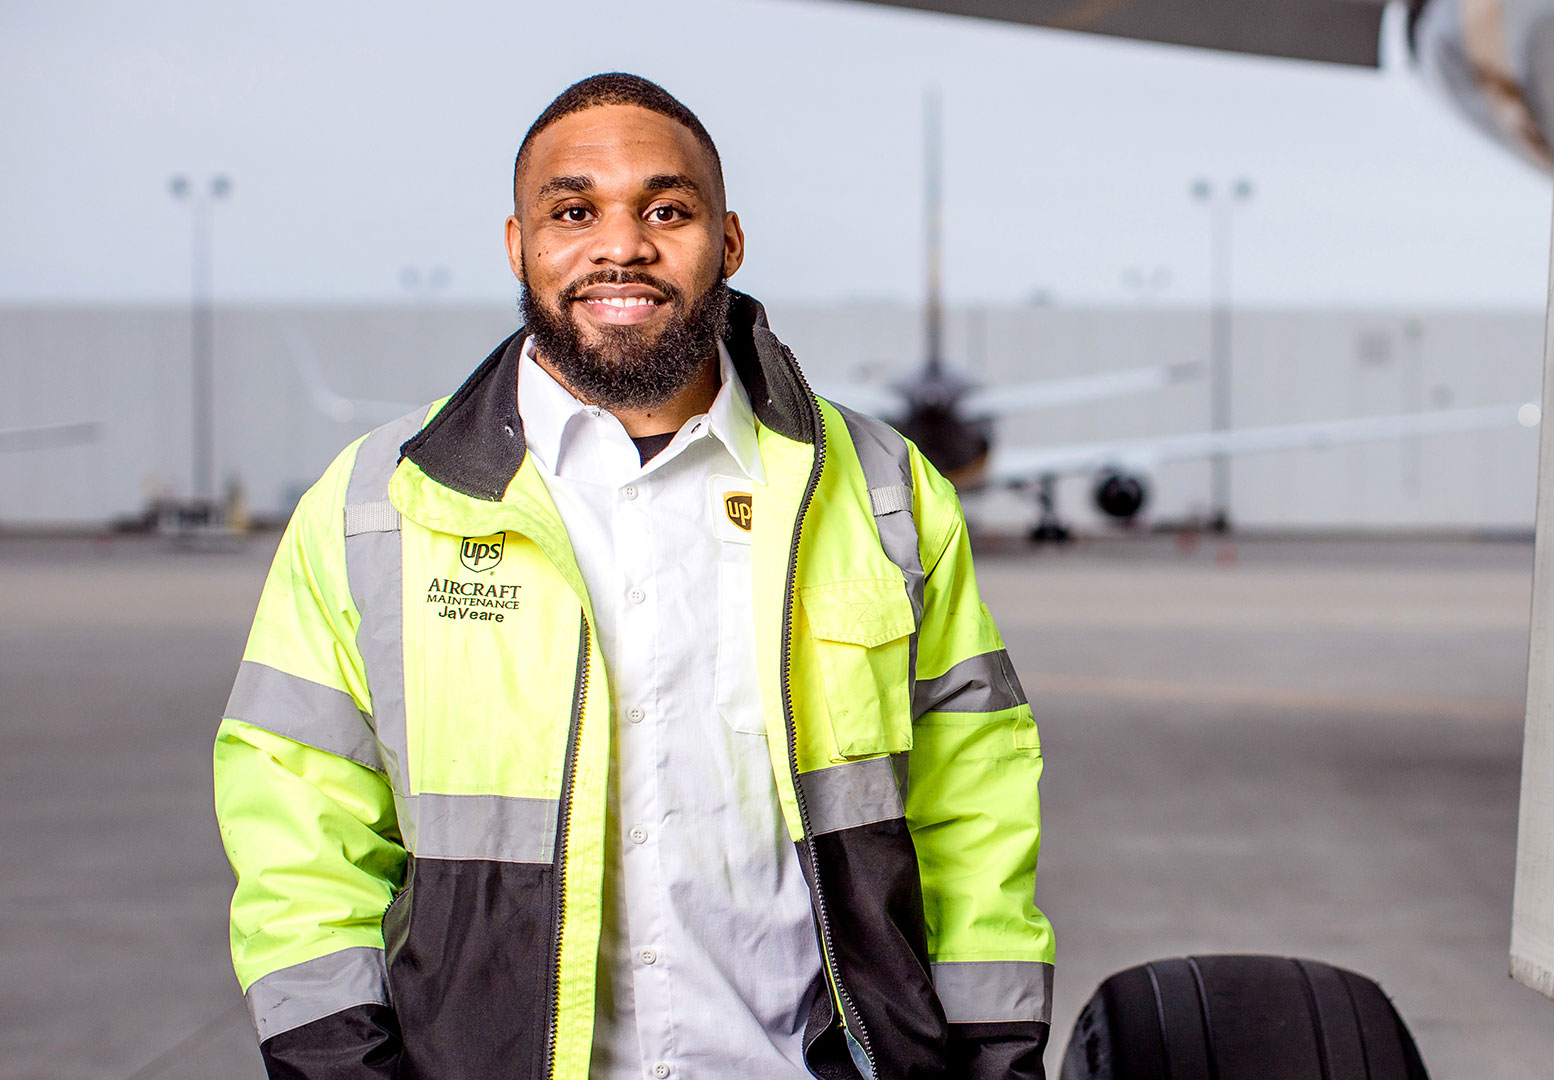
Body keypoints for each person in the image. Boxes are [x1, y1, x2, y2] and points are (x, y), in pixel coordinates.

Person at [213, 73, 1052, 1080]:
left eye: (667, 209)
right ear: (519, 246)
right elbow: (299, 842)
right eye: (574, 211)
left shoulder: (883, 493)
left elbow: (977, 807)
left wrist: (993, 1060)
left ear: (728, 242)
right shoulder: (375, 506)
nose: (623, 245)